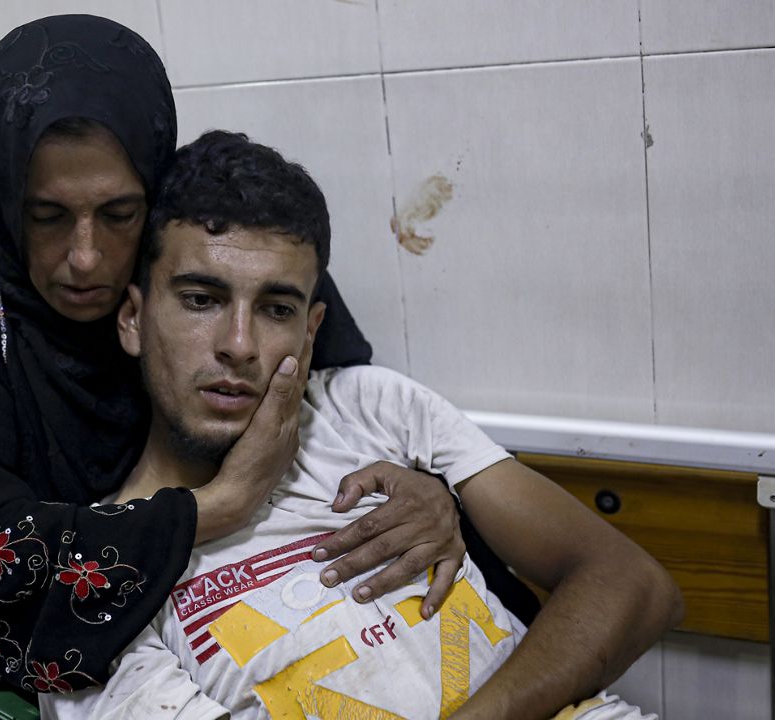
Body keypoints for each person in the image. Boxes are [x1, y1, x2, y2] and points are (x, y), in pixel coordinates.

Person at [0, 12, 522, 697]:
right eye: (46, 216)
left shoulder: (206, 243)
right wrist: (219, 504)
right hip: (76, 652)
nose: (84, 259)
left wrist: (434, 495)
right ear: (3, 198)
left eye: (117, 214)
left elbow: (345, 415)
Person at [40, 131, 683, 719]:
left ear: (311, 332)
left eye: (276, 308)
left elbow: (636, 586)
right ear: (132, 319)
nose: (239, 344)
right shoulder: (97, 582)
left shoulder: (367, 411)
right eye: (202, 300)